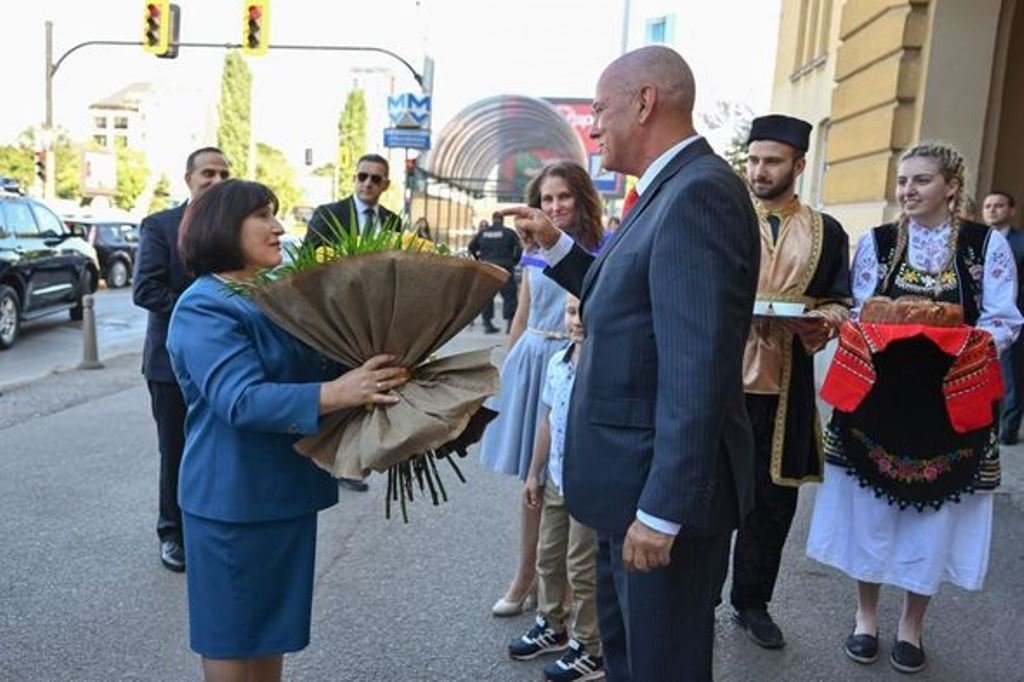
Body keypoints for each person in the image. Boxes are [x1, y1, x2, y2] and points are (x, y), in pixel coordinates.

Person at [506, 45, 760, 680]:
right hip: (628, 490)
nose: (593, 127)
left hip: (657, 499)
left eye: (600, 110)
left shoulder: (699, 193)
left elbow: (697, 367)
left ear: (645, 102)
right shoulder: (668, 189)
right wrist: (557, 247)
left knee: (661, 666)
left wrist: (663, 509)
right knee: (629, 661)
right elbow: (629, 299)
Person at [167, 179, 407, 682]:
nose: (278, 227)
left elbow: (313, 366)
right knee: (232, 633)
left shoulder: (271, 293)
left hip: (284, 492)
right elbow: (241, 399)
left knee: (269, 631)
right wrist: (339, 392)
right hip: (234, 499)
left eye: (275, 214)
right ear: (223, 227)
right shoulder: (204, 304)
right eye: (262, 215)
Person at [806, 142, 1022, 674]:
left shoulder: (984, 245)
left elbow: (1003, 319)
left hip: (951, 399)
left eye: (921, 180)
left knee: (934, 516)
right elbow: (859, 313)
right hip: (881, 398)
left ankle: (912, 625)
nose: (907, 190)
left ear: (952, 187)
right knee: (871, 511)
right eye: (903, 181)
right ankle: (865, 617)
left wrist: (957, 346)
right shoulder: (878, 242)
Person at [722, 115, 852, 649]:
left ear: (798, 166)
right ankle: (697, 598)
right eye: (753, 160)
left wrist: (824, 321)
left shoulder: (827, 231)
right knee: (711, 491)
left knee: (773, 501)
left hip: (786, 382)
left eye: (772, 161)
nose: (759, 170)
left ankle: (752, 602)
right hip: (723, 379)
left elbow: (840, 300)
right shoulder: (725, 219)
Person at [481, 161, 605, 618]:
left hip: (572, 364)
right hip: (532, 360)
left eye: (564, 196)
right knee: (531, 480)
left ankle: (565, 584)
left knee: (567, 479)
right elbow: (521, 312)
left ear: (582, 199)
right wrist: (507, 366)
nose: (554, 206)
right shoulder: (532, 247)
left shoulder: (600, 248)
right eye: (547, 199)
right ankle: (524, 577)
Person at [133, 146, 230, 572]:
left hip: (224, 364)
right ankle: (172, 533)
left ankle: (207, 529)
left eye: (224, 173)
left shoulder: (234, 229)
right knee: (176, 452)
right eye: (208, 172)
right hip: (169, 365)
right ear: (188, 178)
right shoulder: (160, 225)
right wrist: (202, 312)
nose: (216, 180)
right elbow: (145, 290)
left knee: (218, 451)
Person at [509, 294, 603, 682]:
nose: (576, 320)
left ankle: (591, 647)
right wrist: (534, 473)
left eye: (584, 312)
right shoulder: (557, 363)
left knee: (582, 566)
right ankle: (552, 624)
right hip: (557, 478)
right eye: (570, 311)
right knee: (548, 555)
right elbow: (547, 421)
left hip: (588, 483)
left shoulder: (604, 367)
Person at [983, 191, 1024, 444]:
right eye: (988, 206)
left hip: (1013, 320)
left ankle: (1008, 431)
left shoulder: (1021, 242)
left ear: (1011, 210)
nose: (992, 210)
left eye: (999, 205)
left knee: (1012, 378)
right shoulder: (975, 241)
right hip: (981, 321)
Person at [305, 153, 398, 247]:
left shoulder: (393, 221)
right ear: (354, 179)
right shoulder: (327, 215)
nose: (367, 184)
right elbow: (307, 253)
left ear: (386, 185)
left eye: (375, 179)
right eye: (362, 177)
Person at [468, 211, 523, 333]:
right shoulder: (509, 233)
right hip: (505, 267)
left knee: (487, 296)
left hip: (488, 268)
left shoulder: (483, 233)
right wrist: (513, 261)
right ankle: (510, 324)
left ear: (492, 219)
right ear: (502, 220)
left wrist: (479, 260)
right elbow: (519, 249)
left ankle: (488, 324)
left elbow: (471, 247)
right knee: (509, 296)